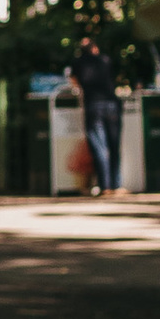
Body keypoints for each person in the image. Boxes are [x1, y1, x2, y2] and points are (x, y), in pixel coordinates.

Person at [68, 23, 120, 194]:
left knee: (99, 145)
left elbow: (73, 82)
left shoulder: (77, 63)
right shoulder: (105, 60)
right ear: (95, 48)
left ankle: (105, 187)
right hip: (112, 104)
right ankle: (116, 185)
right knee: (114, 145)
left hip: (93, 105)